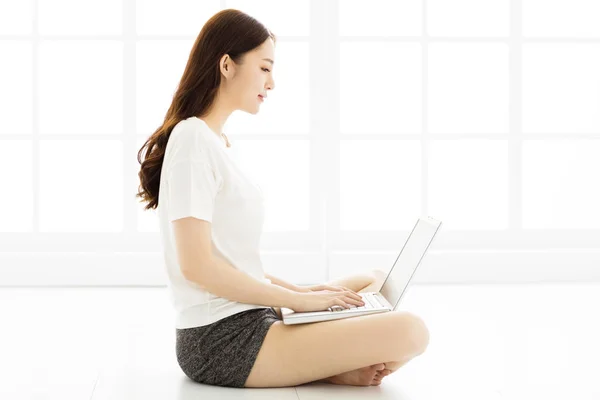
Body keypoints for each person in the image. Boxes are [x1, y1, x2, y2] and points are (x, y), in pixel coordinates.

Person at [135, 8, 429, 389]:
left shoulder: (214, 143)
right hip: (220, 339)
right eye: (264, 67)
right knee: (411, 331)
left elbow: (233, 263)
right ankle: (328, 367)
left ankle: (326, 364)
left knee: (371, 280)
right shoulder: (192, 140)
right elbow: (197, 267)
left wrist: (301, 292)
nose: (272, 82)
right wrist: (297, 303)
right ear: (227, 64)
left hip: (250, 316)